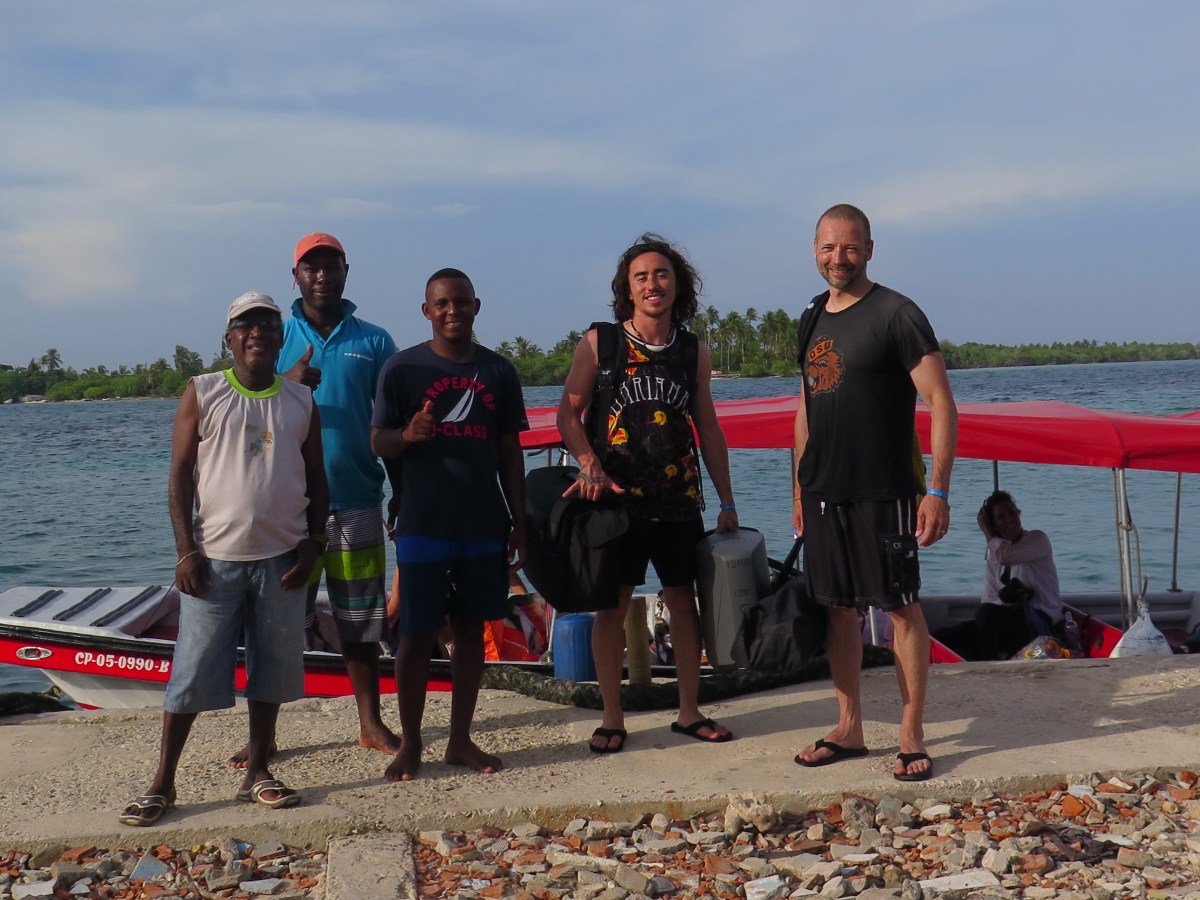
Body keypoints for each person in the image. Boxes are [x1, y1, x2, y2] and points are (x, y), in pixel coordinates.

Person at [120, 292, 328, 826]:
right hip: (215, 561)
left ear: (282, 338)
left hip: (283, 560)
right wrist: (186, 550)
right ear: (229, 338)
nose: (257, 331)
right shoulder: (203, 392)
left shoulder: (300, 401)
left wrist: (313, 545)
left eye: (268, 324)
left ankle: (258, 770)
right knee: (192, 670)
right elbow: (179, 477)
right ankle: (162, 782)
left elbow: (317, 479)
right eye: (246, 325)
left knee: (273, 671)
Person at [792, 204, 957, 782]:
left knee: (899, 609)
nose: (839, 258)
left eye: (850, 247)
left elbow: (941, 402)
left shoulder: (897, 313)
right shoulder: (812, 316)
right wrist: (797, 487)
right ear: (815, 250)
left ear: (869, 248)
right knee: (838, 611)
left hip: (884, 489)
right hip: (823, 491)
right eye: (828, 247)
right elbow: (805, 407)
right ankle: (849, 726)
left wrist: (936, 489)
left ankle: (911, 733)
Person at [557, 233, 738, 754]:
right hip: (615, 502)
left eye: (661, 274)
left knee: (684, 603)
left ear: (677, 285)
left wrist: (727, 502)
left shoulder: (691, 351)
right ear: (627, 290)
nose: (652, 284)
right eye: (641, 277)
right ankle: (612, 717)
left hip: (678, 501)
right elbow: (567, 413)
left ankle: (688, 711)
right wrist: (588, 462)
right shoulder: (601, 343)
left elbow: (709, 428)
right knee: (611, 608)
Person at [229, 233, 400, 767]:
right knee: (278, 623)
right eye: (311, 267)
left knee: (361, 619)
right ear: (296, 276)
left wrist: (403, 492)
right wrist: (288, 381)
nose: (321, 275)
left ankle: (370, 723)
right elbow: (239, 401)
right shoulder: (274, 334)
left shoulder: (374, 342)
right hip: (287, 506)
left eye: (331, 265)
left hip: (357, 499)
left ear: (347, 271)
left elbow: (392, 423)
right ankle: (267, 737)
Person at [371, 268, 528, 781]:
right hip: (422, 520)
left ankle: (460, 740)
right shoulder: (401, 370)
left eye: (461, 302)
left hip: (483, 521)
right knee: (415, 633)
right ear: (427, 311)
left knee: (468, 629)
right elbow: (378, 442)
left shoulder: (499, 371)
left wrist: (519, 518)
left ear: (477, 306)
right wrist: (408, 434)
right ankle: (412, 742)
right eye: (442, 304)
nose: (452, 311)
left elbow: (509, 451)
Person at [974, 490, 1063, 659]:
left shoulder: (1037, 539)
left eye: (1012, 513)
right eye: (1001, 517)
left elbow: (1007, 555)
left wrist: (986, 530)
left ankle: (988, 666)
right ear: (995, 524)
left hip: (1042, 620)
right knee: (957, 632)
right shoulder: (995, 554)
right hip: (1014, 620)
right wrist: (1005, 604)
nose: (1009, 519)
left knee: (986, 614)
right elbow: (989, 597)